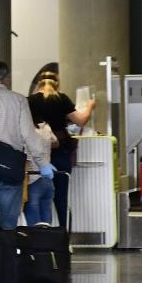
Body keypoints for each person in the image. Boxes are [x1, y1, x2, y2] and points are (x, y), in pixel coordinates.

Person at [0, 61, 53, 231]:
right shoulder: (19, 100)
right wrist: (43, 163)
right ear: (7, 79)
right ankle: (6, 254)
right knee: (9, 223)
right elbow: (29, 135)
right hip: (11, 167)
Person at [29, 75, 96, 227]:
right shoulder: (62, 98)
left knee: (36, 199)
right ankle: (63, 235)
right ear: (57, 85)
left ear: (38, 85)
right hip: (61, 152)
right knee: (61, 198)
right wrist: (90, 106)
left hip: (39, 156)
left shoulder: (30, 100)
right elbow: (80, 120)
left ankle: (39, 235)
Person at [25, 111, 60, 226]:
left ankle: (35, 242)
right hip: (47, 179)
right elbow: (56, 143)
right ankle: (47, 241)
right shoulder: (46, 127)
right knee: (46, 219)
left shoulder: (27, 131)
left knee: (34, 222)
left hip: (33, 179)